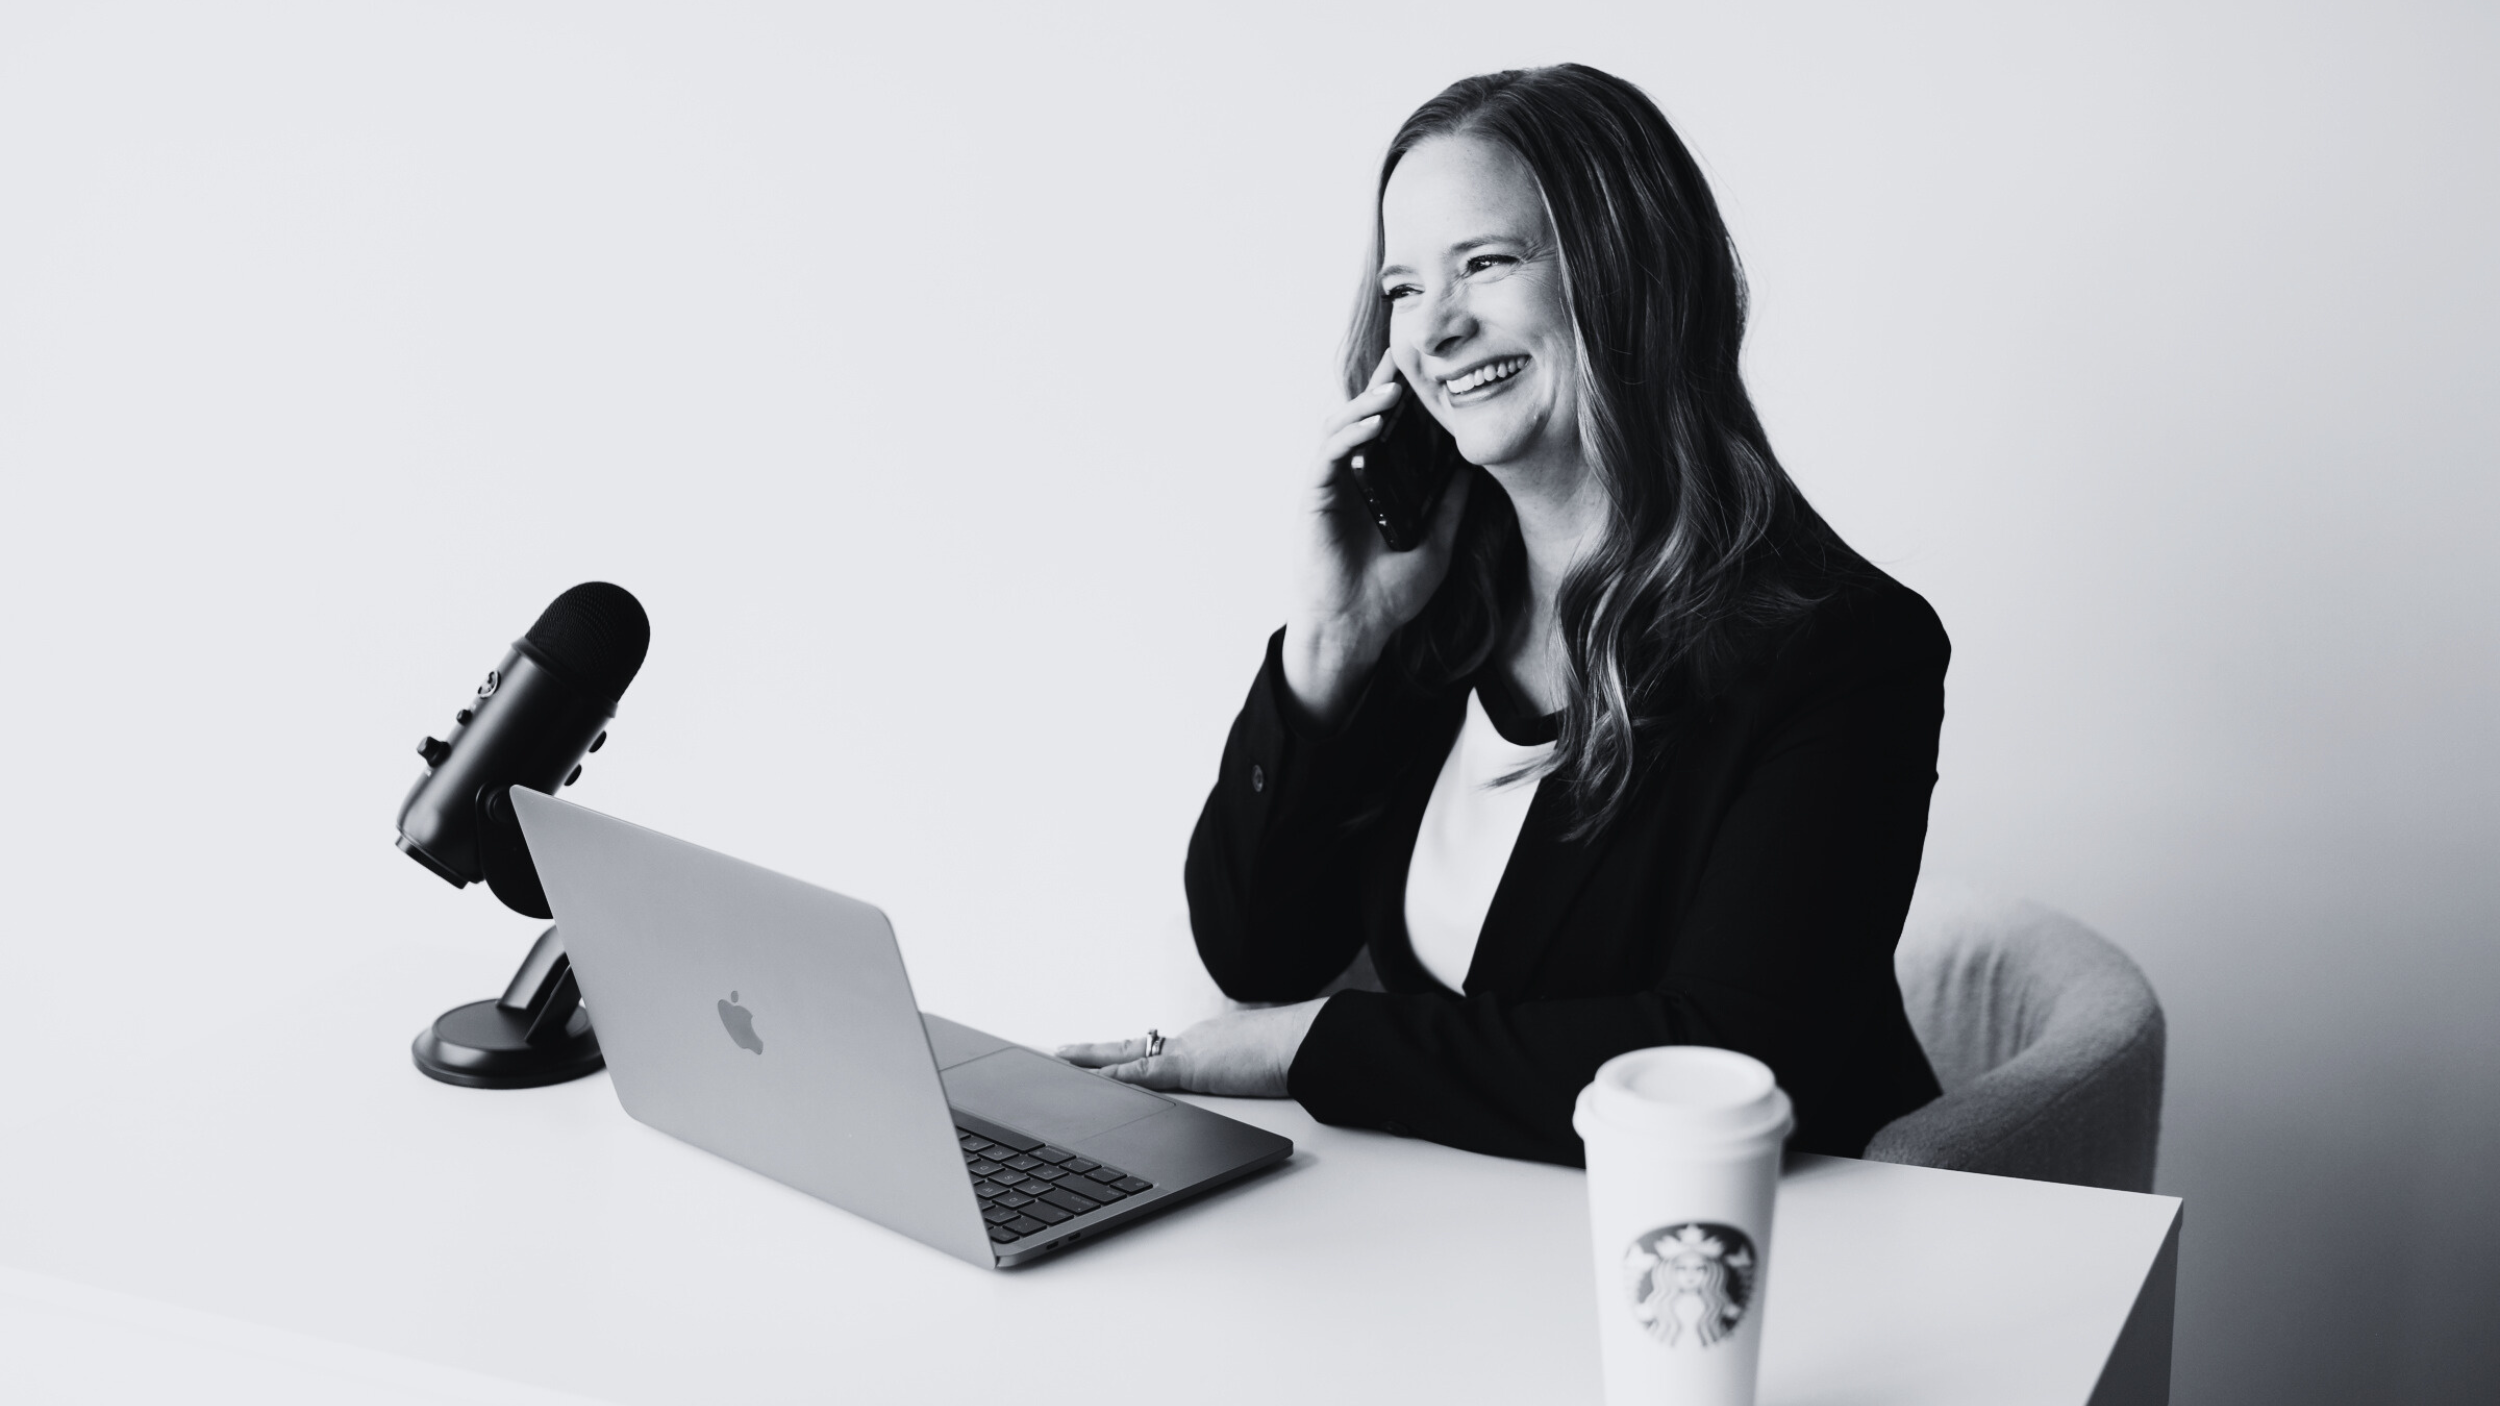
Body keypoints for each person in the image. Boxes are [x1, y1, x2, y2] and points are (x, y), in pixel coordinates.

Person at [1058, 63, 1946, 1165]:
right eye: (1402, 287)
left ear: (1630, 276)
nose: (1433, 331)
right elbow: (1258, 950)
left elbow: (1726, 1058)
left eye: (1483, 262)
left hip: (1747, 1257)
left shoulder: (1841, 648)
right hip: (1475, 1231)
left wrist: (1313, 1047)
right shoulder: (1433, 612)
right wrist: (1331, 643)